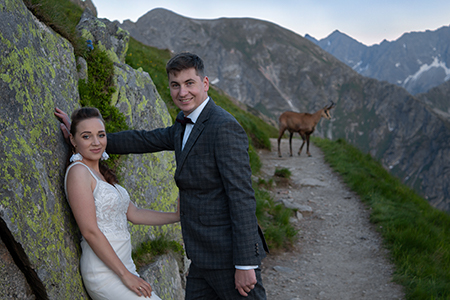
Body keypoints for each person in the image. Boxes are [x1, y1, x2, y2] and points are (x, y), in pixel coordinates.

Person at [56, 52, 268, 299]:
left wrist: (245, 264)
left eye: (190, 83)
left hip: (228, 257)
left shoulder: (224, 127)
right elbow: (144, 139)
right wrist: (91, 139)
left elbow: (242, 197)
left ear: (205, 83)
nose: (182, 92)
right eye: (175, 85)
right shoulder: (182, 124)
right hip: (201, 257)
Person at [63, 107, 179, 300]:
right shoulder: (78, 172)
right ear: (73, 140)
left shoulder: (102, 174)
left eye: (100, 135)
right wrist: (126, 277)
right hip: (103, 273)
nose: (96, 142)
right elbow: (90, 231)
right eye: (86, 136)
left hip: (125, 267)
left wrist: (176, 216)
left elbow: (134, 213)